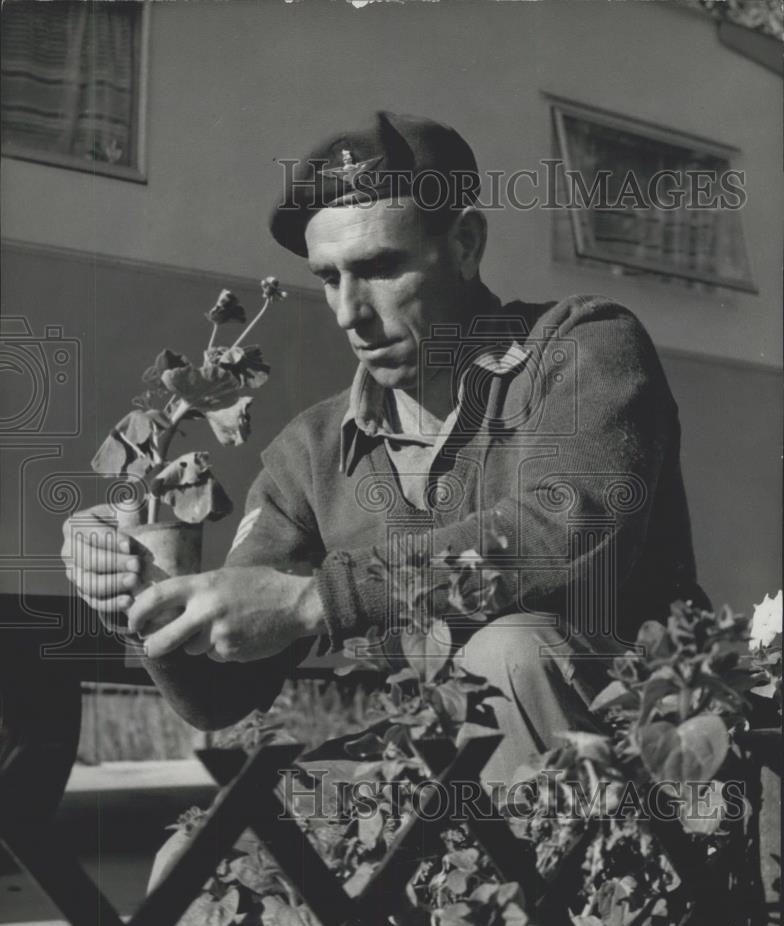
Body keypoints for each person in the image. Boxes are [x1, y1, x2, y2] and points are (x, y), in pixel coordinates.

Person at [62, 111, 707, 785]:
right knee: (211, 851)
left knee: (507, 652)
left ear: (464, 244)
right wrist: (142, 596)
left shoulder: (579, 347)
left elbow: (562, 528)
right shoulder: (310, 452)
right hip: (444, 765)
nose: (348, 311)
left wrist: (317, 600)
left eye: (378, 268)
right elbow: (221, 697)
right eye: (329, 276)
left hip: (636, 778)